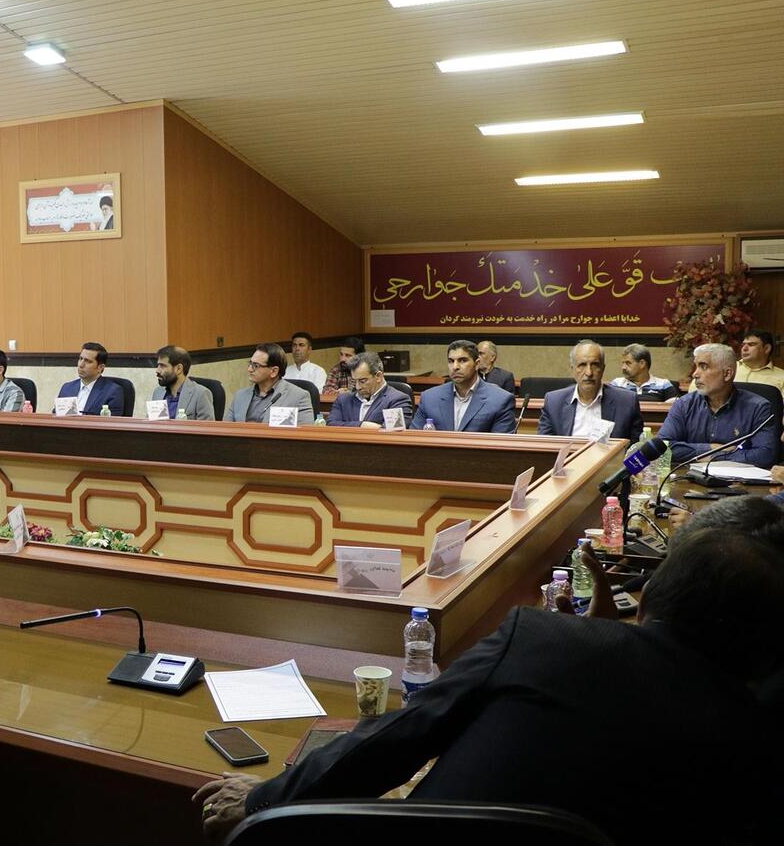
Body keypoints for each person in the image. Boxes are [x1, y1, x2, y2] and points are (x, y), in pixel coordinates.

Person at [194, 527, 783, 844]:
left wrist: (264, 798)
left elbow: (395, 740)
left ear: (647, 598)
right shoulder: (757, 744)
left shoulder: (543, 636)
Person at [658, 342, 777, 468]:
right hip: (689, 477)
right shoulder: (684, 404)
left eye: (703, 366)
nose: (695, 374)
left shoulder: (758, 407)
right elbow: (662, 447)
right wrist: (710, 448)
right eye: (696, 367)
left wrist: (712, 456)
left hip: (737, 479)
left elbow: (765, 455)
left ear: (727, 374)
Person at [537, 340, 643, 442]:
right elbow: (545, 446)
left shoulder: (627, 402)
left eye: (595, 365)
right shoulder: (554, 402)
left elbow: (638, 448)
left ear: (603, 368)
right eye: (582, 365)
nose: (589, 373)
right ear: (572, 369)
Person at [409, 340, 515, 432]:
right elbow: (414, 439)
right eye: (451, 361)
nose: (455, 367)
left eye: (463, 360)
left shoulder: (500, 400)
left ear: (477, 364)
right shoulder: (429, 398)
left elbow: (500, 446)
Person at [226, 343, 314, 424]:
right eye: (250, 364)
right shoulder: (240, 396)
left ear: (274, 371)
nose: (250, 369)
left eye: (256, 366)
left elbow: (305, 433)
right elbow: (226, 429)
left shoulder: (298, 397)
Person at [328, 352, 411, 428]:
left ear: (378, 376)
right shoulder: (343, 400)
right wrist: (362, 425)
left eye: (362, 381)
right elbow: (331, 425)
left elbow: (394, 431)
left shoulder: (397, 400)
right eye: (354, 381)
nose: (357, 387)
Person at [57, 342, 124, 416]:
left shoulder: (112, 392)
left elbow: (112, 422)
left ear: (100, 367)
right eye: (81, 359)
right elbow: (57, 416)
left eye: (88, 361)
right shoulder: (67, 388)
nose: (81, 365)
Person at [151, 345, 214, 420]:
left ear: (179, 369)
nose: (157, 370)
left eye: (162, 366)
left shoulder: (201, 394)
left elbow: (206, 427)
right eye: (158, 365)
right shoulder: (158, 392)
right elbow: (154, 424)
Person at [610, 343, 678, 401]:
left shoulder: (664, 385)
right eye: (623, 363)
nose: (623, 367)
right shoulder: (616, 384)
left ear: (642, 364)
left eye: (628, 363)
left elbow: (675, 409)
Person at [735, 329, 784, 393]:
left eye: (751, 344)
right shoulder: (730, 368)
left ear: (766, 348)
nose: (744, 349)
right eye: (743, 345)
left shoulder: (782, 376)